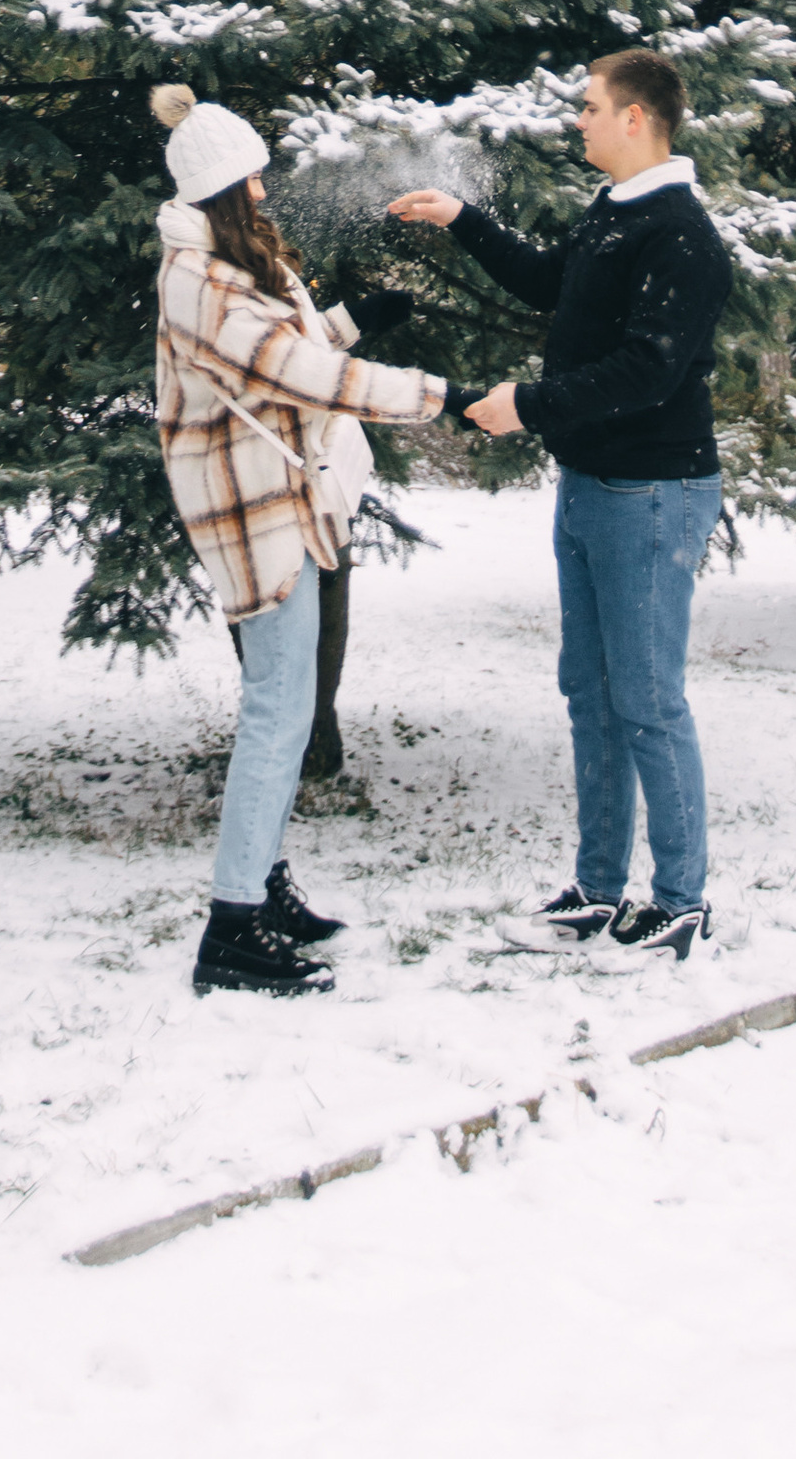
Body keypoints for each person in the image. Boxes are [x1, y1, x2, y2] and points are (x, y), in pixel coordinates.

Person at [387, 48, 732, 962]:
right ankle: (598, 887)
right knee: (591, 692)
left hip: (653, 493)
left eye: (589, 106)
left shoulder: (682, 236)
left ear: (636, 118)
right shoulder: (615, 215)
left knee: (649, 700)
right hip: (591, 486)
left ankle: (684, 898)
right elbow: (552, 285)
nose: (576, 119)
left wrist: (528, 405)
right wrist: (464, 218)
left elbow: (650, 369)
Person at [150, 82, 455, 999]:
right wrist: (441, 397)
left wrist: (364, 316)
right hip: (253, 513)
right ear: (221, 189)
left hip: (289, 498)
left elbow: (304, 343)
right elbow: (297, 371)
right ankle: (234, 927)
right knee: (278, 712)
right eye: (253, 181)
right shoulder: (196, 280)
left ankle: (264, 885)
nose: (265, 194)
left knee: (284, 703)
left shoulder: (231, 266)